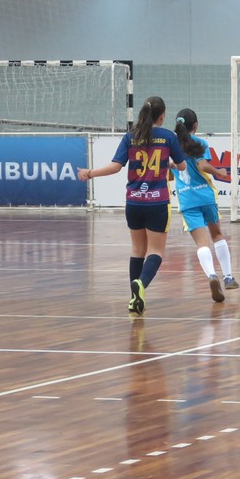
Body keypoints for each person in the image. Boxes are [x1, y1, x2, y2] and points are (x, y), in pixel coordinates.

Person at [77, 95, 191, 316]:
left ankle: (133, 299)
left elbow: (116, 166)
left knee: (137, 250)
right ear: (163, 115)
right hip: (157, 202)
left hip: (134, 201)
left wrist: (90, 173)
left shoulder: (131, 137)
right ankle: (141, 285)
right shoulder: (168, 137)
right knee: (156, 251)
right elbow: (183, 165)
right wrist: (170, 163)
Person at [171, 108, 236, 303]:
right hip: (206, 196)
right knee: (217, 235)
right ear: (196, 124)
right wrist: (219, 172)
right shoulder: (200, 143)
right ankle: (228, 276)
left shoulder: (171, 145)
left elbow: (168, 172)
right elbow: (202, 165)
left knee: (202, 243)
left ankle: (211, 276)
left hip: (187, 198)